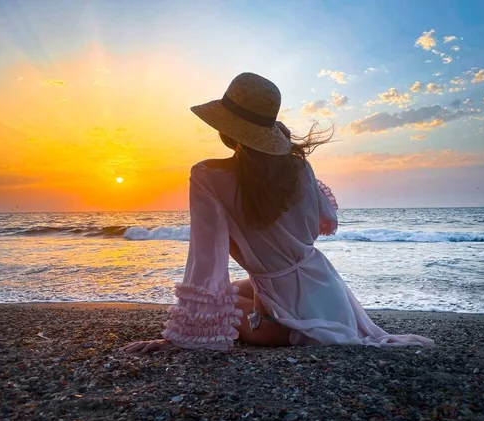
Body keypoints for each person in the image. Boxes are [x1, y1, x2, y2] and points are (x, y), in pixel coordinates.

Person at [122, 73, 434, 353]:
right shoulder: (299, 168)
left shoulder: (207, 177)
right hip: (331, 298)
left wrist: (181, 335)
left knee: (221, 301)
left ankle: (261, 310)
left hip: (281, 323)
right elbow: (319, 226)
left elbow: (206, 259)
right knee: (230, 293)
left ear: (226, 129)